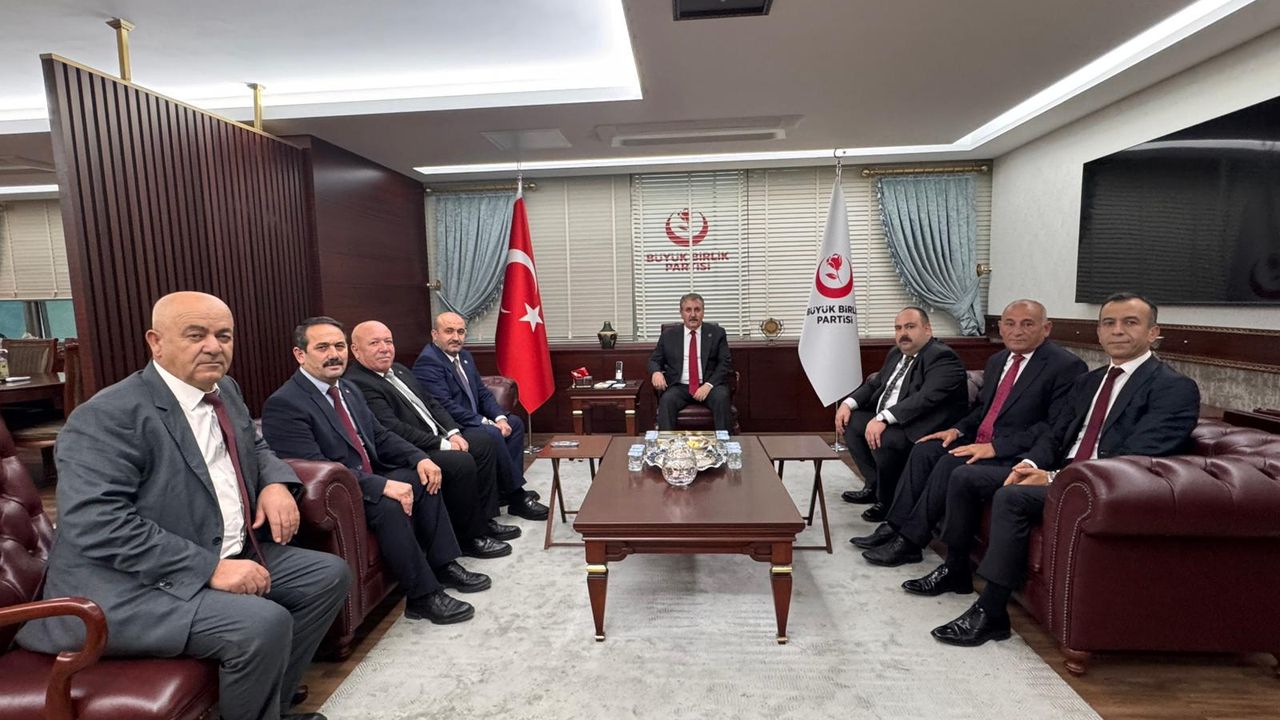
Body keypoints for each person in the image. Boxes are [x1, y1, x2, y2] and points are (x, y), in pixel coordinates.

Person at [16, 292, 349, 720]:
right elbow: (96, 523)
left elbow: (255, 444)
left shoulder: (224, 389)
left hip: (219, 547)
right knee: (261, 623)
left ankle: (271, 704)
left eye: (223, 336)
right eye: (195, 335)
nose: (213, 346)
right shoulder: (107, 416)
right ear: (155, 342)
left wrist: (275, 484)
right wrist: (208, 569)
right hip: (127, 586)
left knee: (326, 576)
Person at [931, 292, 1200, 647]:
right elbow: (1054, 434)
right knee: (966, 475)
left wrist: (1054, 478)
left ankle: (992, 612)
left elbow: (1137, 459)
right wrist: (1029, 464)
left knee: (1012, 498)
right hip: (1059, 473)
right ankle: (956, 568)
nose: (1117, 331)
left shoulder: (1173, 388)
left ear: (1153, 333)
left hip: (1103, 488)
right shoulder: (1091, 381)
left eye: (1130, 323)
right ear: (1099, 332)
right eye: (1108, 323)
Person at [262, 317, 495, 629]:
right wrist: (381, 485)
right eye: (323, 347)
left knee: (425, 478)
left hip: (368, 473)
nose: (334, 354)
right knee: (389, 505)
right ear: (300, 354)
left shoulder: (347, 388)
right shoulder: (286, 404)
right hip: (339, 492)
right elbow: (315, 469)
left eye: (339, 346)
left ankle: (443, 565)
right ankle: (422, 596)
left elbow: (380, 436)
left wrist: (419, 458)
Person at [855, 300, 1087, 568]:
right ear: (1000, 327)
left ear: (1046, 328)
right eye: (1010, 324)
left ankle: (909, 543)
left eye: (1027, 324)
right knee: (924, 450)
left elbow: (1053, 427)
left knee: (948, 464)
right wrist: (956, 429)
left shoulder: (1066, 366)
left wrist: (995, 448)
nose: (1017, 331)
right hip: (978, 438)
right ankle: (895, 526)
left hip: (1015, 451)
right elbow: (982, 410)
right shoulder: (998, 360)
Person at [344, 320, 520, 546]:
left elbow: (433, 403)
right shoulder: (358, 382)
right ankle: (470, 537)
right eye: (374, 343)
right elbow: (394, 428)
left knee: (483, 441)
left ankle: (485, 520)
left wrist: (453, 433)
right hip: (412, 448)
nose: (384, 348)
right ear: (356, 350)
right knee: (460, 461)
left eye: (388, 341)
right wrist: (442, 444)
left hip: (437, 436)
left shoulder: (399, 370)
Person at [834, 306, 969, 522]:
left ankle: (888, 502)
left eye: (910, 327)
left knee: (884, 437)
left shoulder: (942, 357)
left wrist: (882, 418)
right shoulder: (896, 353)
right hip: (895, 418)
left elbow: (925, 398)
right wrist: (847, 404)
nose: (903, 333)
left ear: (927, 329)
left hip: (923, 424)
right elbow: (876, 383)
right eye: (898, 328)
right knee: (853, 422)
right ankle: (875, 485)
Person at [413, 311, 549, 521]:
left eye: (460, 332)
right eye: (449, 331)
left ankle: (504, 490)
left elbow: (482, 393)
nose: (456, 337)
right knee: (491, 434)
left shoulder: (464, 356)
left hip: (472, 419)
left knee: (514, 423)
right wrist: (484, 421)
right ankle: (516, 496)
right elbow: (443, 406)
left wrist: (500, 418)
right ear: (435, 334)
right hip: (452, 426)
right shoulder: (428, 363)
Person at [647, 292, 734, 431]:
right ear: (681, 313)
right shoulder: (669, 335)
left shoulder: (717, 333)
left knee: (722, 397)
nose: (693, 315)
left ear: (703, 312)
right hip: (679, 386)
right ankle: (666, 443)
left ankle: (724, 442)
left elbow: (725, 363)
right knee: (667, 400)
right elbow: (654, 360)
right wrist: (656, 372)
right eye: (688, 310)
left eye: (697, 310)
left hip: (709, 386)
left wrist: (708, 385)